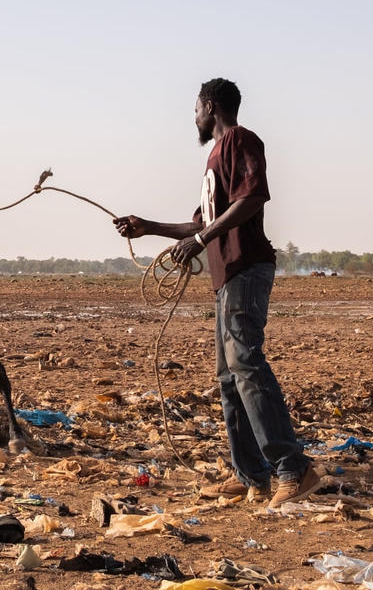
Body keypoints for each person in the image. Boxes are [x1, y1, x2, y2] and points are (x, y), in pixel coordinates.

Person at [114, 78, 322, 508]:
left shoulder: (242, 141)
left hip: (246, 267)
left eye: (195, 109)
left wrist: (205, 238)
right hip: (225, 274)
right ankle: (253, 476)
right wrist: (148, 227)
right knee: (228, 377)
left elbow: (252, 198)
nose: (194, 117)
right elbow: (201, 222)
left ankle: (294, 470)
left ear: (211, 106)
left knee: (245, 363)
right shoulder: (212, 158)